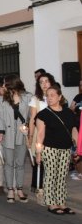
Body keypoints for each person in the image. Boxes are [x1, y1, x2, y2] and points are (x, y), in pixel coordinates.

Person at [36, 86, 78, 215]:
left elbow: (74, 130)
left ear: (60, 97)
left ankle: (62, 203)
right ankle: (51, 203)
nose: (49, 98)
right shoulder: (43, 114)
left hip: (65, 149)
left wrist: (76, 148)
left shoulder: (69, 113)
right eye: (47, 95)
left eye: (52, 95)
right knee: (51, 175)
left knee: (62, 176)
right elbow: (41, 134)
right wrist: (38, 153)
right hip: (50, 149)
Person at [0, 74, 32, 204]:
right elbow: (0, 118)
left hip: (22, 135)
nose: (4, 86)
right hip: (8, 135)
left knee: (20, 163)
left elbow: (31, 116)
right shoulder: (1, 100)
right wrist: (0, 133)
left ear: (13, 83)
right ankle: (10, 189)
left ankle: (20, 189)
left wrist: (28, 128)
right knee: (9, 163)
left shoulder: (28, 97)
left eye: (6, 83)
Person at [28, 72, 56, 196]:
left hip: (54, 134)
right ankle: (39, 187)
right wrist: (30, 136)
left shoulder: (56, 97)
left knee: (53, 162)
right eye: (41, 82)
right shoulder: (36, 99)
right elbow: (32, 119)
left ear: (51, 82)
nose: (44, 84)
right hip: (40, 134)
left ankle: (51, 187)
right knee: (40, 161)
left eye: (46, 81)